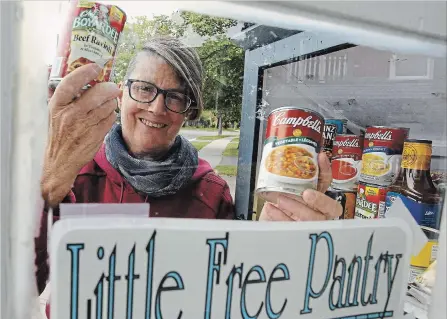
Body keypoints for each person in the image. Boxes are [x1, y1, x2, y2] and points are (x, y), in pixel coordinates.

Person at [36, 36, 342, 295]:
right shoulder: (74, 173)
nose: (156, 107)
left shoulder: (210, 193)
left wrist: (274, 246)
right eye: (144, 88)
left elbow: (228, 289)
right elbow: (23, 283)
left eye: (176, 97)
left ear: (188, 111)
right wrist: (47, 187)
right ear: (121, 91)